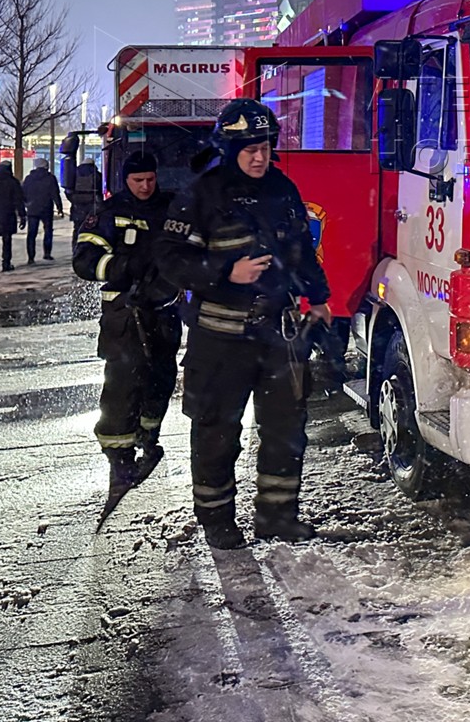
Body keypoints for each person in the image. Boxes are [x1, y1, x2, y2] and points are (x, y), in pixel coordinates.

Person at [156, 98, 331, 550]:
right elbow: (170, 259)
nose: (259, 156)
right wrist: (225, 273)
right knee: (216, 431)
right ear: (228, 148)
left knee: (285, 430)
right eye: (249, 148)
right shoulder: (202, 193)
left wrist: (320, 298)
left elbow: (301, 250)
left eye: (265, 146)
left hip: (279, 335)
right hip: (220, 338)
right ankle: (216, 519)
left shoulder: (283, 189)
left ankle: (277, 515)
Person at [72, 150, 181, 498]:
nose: (146, 186)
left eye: (150, 179)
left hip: (164, 311)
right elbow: (84, 260)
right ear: (125, 181)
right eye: (138, 181)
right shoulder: (109, 212)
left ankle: (149, 438)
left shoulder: (170, 208)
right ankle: (119, 457)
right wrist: (122, 267)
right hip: (124, 312)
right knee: (123, 383)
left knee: (161, 378)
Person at [21, 156, 64, 264]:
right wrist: (59, 207)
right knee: (48, 231)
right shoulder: (50, 178)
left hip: (32, 209)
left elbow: (23, 193)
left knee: (31, 234)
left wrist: (27, 204)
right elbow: (55, 194)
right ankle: (47, 253)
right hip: (46, 208)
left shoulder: (29, 178)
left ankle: (31, 257)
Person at [68, 155, 104, 251]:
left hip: (77, 207)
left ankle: (76, 248)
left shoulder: (74, 174)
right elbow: (101, 191)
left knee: (77, 229)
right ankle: (89, 248)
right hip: (93, 206)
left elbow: (68, 190)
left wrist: (73, 200)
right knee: (93, 229)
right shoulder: (97, 175)